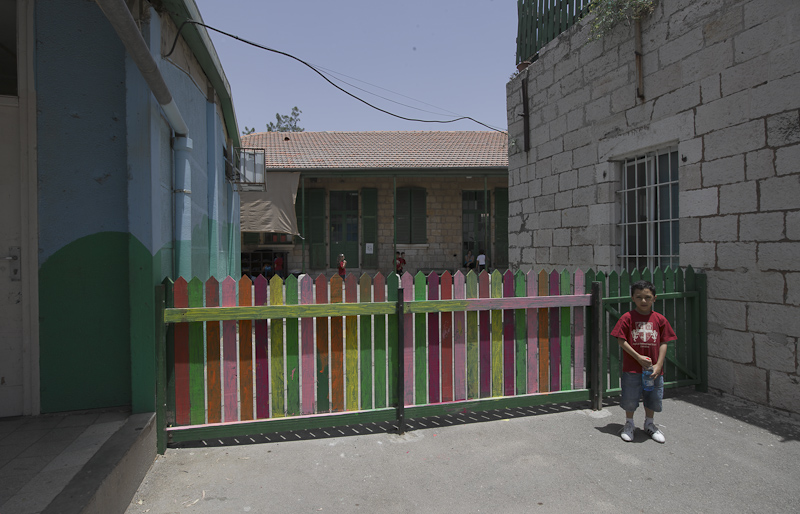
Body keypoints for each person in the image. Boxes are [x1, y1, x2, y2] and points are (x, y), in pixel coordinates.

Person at [610, 280, 677, 444]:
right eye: (639, 297)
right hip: (632, 368)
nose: (643, 301)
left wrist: (659, 364)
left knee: (652, 397)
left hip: (653, 369)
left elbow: (664, 342)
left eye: (647, 297)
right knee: (630, 397)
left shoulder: (660, 320)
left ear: (654, 298)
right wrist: (638, 357)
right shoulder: (628, 318)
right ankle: (629, 423)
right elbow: (621, 340)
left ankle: (649, 423)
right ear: (632, 298)